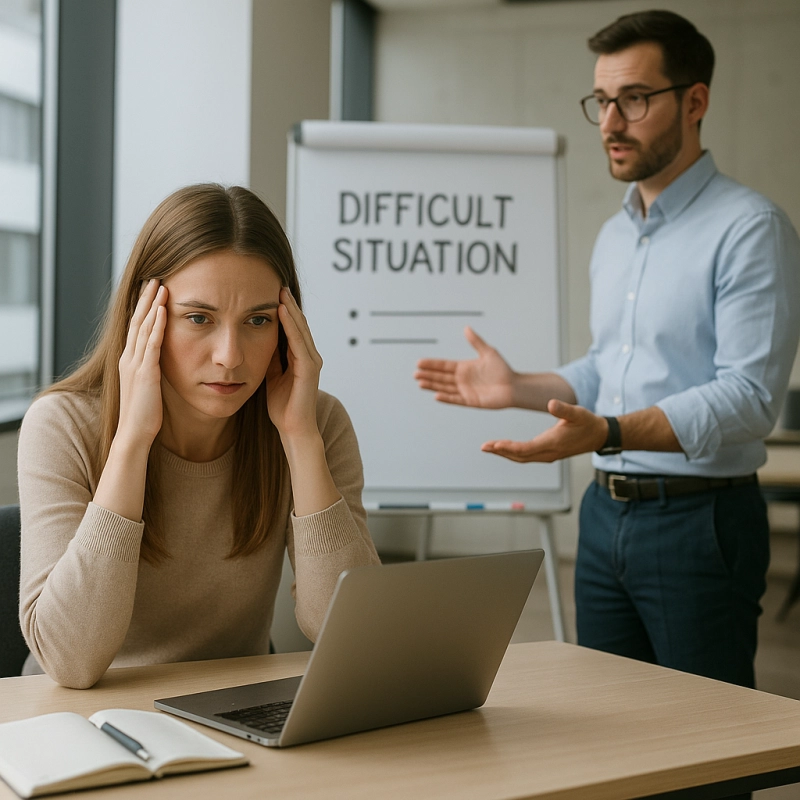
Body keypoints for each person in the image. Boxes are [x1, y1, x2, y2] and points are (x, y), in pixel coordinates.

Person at [416, 10, 800, 691]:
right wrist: (520, 387)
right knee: (611, 726)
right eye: (601, 100)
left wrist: (613, 432)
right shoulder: (615, 235)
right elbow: (609, 368)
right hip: (603, 517)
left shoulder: (749, 229)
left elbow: (749, 400)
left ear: (695, 101)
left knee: (700, 747)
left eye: (634, 99)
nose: (610, 123)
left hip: (699, 521)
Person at [18, 184, 380, 689]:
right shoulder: (62, 425)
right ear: (143, 318)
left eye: (258, 320)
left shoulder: (315, 424)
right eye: (198, 318)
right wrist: (132, 441)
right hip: (82, 722)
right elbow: (71, 662)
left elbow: (355, 634)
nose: (230, 356)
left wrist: (300, 440)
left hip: (230, 715)